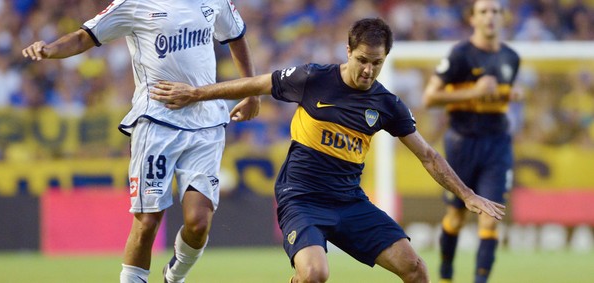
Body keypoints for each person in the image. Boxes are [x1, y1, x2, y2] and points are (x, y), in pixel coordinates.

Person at [149, 18, 505, 283]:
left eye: (377, 63)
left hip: (350, 203)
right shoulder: (312, 78)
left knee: (416, 270)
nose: (368, 70)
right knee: (316, 275)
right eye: (362, 59)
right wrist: (196, 94)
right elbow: (259, 82)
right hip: (301, 199)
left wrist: (467, 193)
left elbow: (428, 155)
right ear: (348, 51)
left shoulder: (386, 104)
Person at [22, 1, 260, 282]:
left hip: (206, 123)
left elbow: (236, 36)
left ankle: (174, 276)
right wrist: (50, 49)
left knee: (198, 223)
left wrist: (251, 91)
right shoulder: (133, 4)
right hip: (156, 122)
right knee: (147, 222)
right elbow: (85, 36)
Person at [422, 1, 521, 282]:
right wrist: (473, 93)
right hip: (462, 143)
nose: (490, 17)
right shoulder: (459, 55)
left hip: (497, 145)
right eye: (484, 12)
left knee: (490, 218)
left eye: (496, 11)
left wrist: (508, 95)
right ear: (472, 19)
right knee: (455, 218)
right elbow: (430, 98)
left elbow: (495, 95)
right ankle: (445, 275)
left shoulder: (511, 58)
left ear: (503, 18)